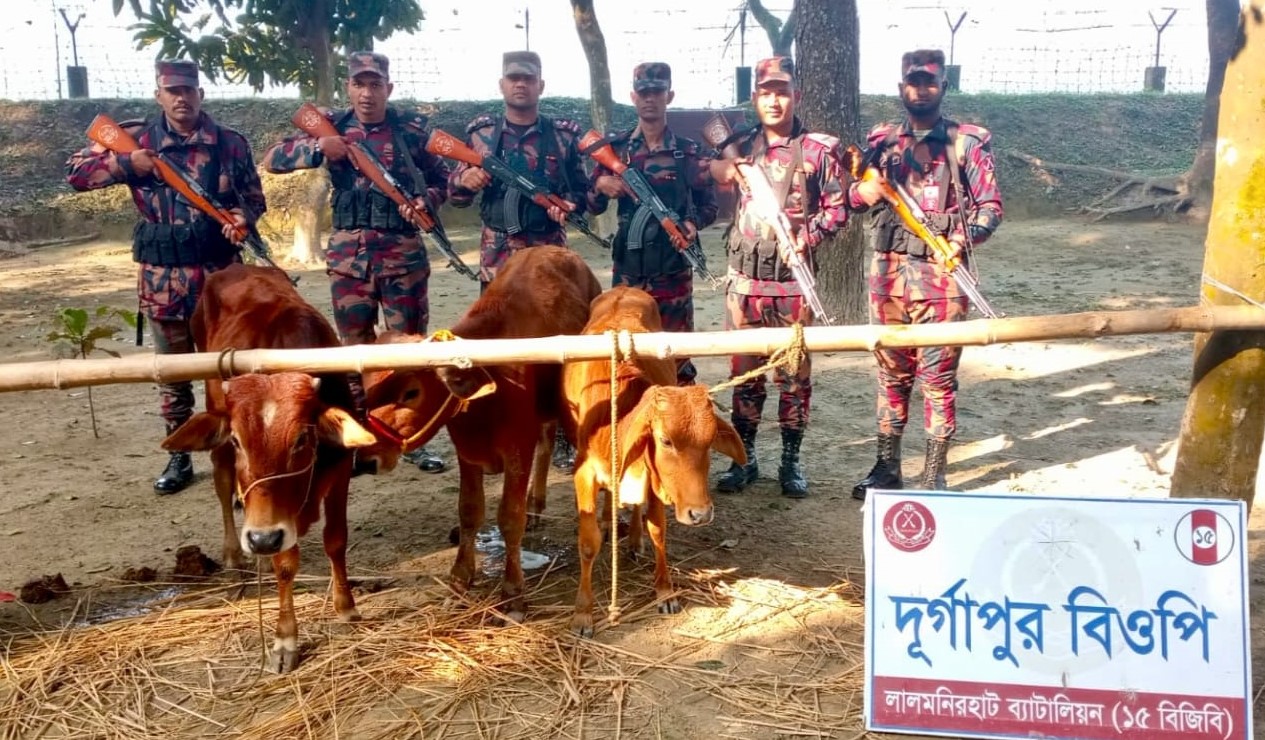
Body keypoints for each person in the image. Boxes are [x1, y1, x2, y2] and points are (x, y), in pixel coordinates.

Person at [66, 59, 266, 495]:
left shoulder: (229, 144)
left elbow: (254, 198)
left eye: (189, 90)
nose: (181, 98)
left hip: (221, 284)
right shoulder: (136, 140)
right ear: (158, 95)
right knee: (173, 376)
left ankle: (238, 455)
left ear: (201, 94)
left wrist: (241, 218)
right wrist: (126, 165)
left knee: (229, 374)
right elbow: (76, 174)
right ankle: (179, 456)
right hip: (163, 283)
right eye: (172, 90)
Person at [264, 51, 451, 474]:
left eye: (375, 84)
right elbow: (273, 159)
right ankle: (357, 435)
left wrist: (427, 200)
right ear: (349, 87)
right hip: (350, 261)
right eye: (359, 84)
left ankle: (403, 437)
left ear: (389, 87)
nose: (367, 93)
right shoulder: (332, 126)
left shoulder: (411, 131)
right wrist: (317, 148)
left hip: (402, 256)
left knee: (406, 352)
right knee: (353, 353)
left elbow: (443, 181)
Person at [848, 49, 1004, 499]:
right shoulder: (880, 143)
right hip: (887, 277)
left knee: (937, 380)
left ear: (943, 87)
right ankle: (886, 467)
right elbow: (852, 199)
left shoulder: (965, 143)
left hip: (941, 279)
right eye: (913, 82)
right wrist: (864, 189)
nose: (921, 89)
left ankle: (934, 474)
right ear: (902, 88)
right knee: (890, 376)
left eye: (929, 82)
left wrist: (964, 238)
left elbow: (991, 206)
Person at [708, 57, 850, 499]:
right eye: (766, 92)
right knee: (745, 377)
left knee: (793, 379)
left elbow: (839, 207)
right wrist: (725, 169)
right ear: (755, 98)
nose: (774, 100)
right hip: (745, 286)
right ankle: (745, 460)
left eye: (782, 91)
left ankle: (791, 462)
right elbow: (706, 169)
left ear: (796, 96)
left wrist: (807, 236)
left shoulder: (819, 151)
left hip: (793, 285)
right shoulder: (740, 146)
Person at [447, 50, 588, 470]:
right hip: (498, 258)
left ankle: (562, 429)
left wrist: (570, 203)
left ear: (541, 85)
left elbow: (588, 194)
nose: (520, 84)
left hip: (549, 260)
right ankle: (504, 423)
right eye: (513, 78)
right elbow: (453, 191)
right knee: (496, 344)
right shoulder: (481, 136)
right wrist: (465, 179)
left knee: (558, 343)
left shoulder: (562, 136)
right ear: (502, 85)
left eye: (528, 78)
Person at [586, 62, 717, 386]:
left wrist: (691, 222)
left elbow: (709, 205)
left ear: (668, 95)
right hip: (629, 272)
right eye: (644, 92)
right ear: (633, 96)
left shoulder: (688, 151)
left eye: (657, 92)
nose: (650, 99)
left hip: (673, 272)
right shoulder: (615, 149)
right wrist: (601, 186)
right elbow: (590, 202)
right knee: (626, 358)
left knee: (677, 359)